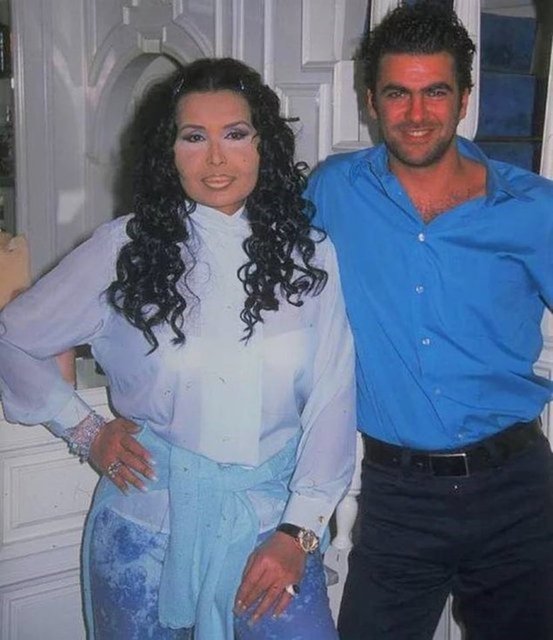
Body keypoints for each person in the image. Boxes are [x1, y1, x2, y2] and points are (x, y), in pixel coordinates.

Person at [0, 57, 356, 640]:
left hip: (274, 531)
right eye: (194, 137)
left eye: (234, 134)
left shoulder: (311, 256)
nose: (216, 159)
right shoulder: (122, 249)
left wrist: (300, 530)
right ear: (169, 151)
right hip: (145, 534)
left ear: (262, 145)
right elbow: (14, 337)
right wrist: (85, 430)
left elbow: (334, 397)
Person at [305, 2, 553, 639]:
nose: (416, 115)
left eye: (435, 92)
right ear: (371, 101)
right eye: (398, 93)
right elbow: (261, 282)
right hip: (398, 496)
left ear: (464, 99)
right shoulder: (333, 191)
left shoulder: (535, 209)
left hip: (518, 492)